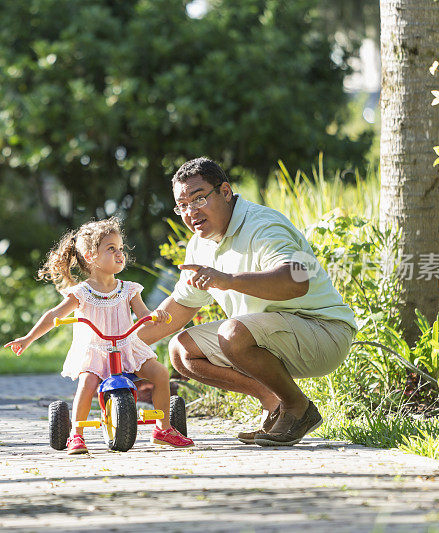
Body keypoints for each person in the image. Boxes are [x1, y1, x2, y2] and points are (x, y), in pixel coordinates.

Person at [138, 157, 357, 447]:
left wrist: (228, 280)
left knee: (233, 332)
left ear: (225, 192)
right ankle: (274, 401)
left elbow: (297, 280)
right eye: (182, 205)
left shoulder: (264, 225)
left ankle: (298, 409)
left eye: (199, 198)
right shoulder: (200, 244)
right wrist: (123, 344)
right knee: (182, 351)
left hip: (322, 331)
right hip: (269, 336)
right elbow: (178, 308)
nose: (191, 212)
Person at [5, 217, 194, 454]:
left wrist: (156, 315)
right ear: (89, 255)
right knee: (87, 383)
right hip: (95, 350)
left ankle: (162, 428)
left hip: (126, 347)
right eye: (111, 248)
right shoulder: (82, 293)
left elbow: (144, 313)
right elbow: (54, 315)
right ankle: (77, 434)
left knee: (160, 372)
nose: (120, 254)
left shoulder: (129, 289)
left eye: (121, 248)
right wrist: (28, 338)